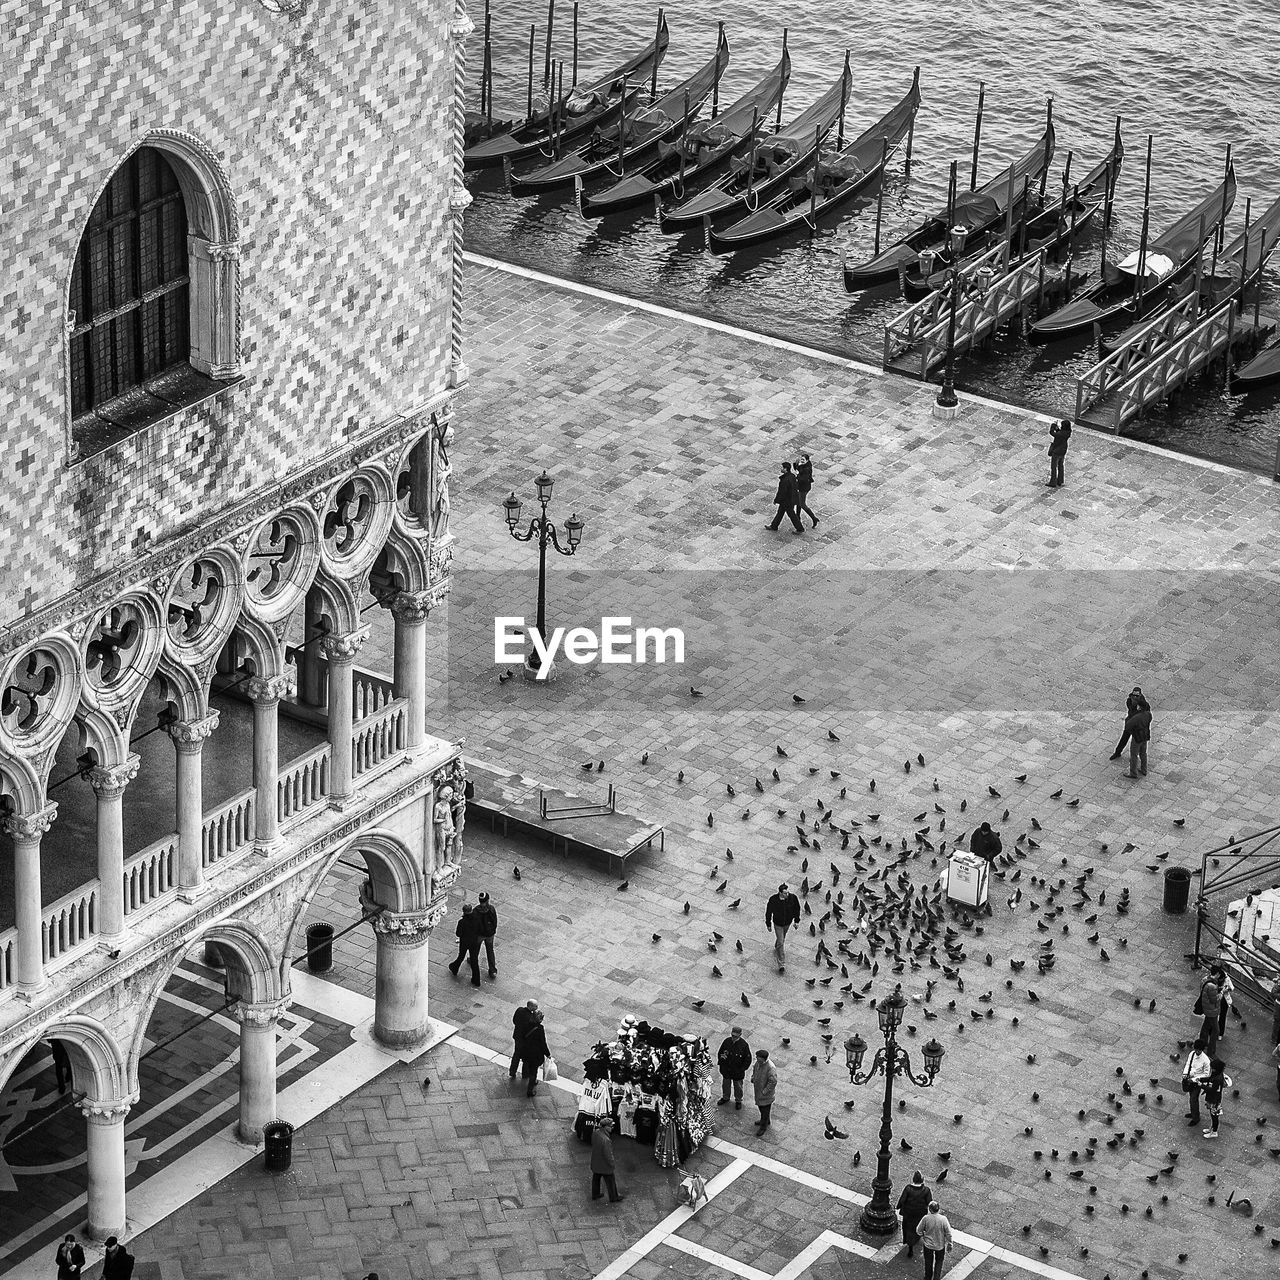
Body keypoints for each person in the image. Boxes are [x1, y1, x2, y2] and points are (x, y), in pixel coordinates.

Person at [765, 883, 801, 973]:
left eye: (787, 893)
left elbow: (797, 909)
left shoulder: (793, 898)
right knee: (781, 942)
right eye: (785, 893)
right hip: (778, 923)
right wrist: (768, 923)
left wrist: (796, 921)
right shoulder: (773, 900)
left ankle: (777, 945)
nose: (787, 895)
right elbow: (768, 912)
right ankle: (781, 964)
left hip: (787, 922)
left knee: (782, 938)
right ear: (780, 893)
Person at [897, 1172, 933, 1259]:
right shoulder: (926, 1190)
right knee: (917, 1227)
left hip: (908, 1213)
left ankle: (909, 1246)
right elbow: (929, 1202)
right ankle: (916, 1238)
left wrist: (898, 1206)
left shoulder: (908, 1188)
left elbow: (902, 1199)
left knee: (907, 1228)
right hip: (919, 1213)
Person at [590, 1116, 624, 1203]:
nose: (612, 1128)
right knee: (611, 1181)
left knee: (596, 1179)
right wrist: (612, 1164)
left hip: (596, 1162)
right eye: (611, 1126)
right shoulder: (606, 1140)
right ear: (605, 1127)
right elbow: (608, 1155)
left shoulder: (596, 1133)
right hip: (605, 1165)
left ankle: (595, 1194)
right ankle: (614, 1197)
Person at [716, 1027, 752, 1108]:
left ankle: (738, 1100)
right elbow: (720, 1052)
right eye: (732, 1035)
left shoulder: (744, 1045)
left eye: (736, 1036)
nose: (734, 1037)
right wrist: (722, 1063)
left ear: (740, 1035)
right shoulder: (727, 1041)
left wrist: (741, 1069)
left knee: (738, 1087)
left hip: (737, 1071)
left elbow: (747, 1059)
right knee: (725, 1085)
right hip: (726, 1069)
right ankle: (725, 1097)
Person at [1109, 688, 1150, 761]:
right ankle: (1117, 752)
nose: (1135, 697)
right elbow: (1131, 710)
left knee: (1137, 742)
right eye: (1134, 695)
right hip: (1130, 723)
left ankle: (1137, 757)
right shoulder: (1129, 700)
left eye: (1137, 695)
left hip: (1138, 727)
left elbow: (1146, 713)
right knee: (1124, 738)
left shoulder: (1144, 703)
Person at [447, 902, 482, 987]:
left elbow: (458, 934)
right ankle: (476, 979)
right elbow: (480, 929)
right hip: (474, 942)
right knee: (474, 960)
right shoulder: (477, 919)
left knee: (461, 956)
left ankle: (454, 968)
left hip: (465, 942)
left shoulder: (462, 922)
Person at [918, 1201, 953, 1280]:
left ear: (930, 1209)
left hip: (928, 1245)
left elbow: (918, 1230)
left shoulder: (926, 1218)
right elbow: (948, 1233)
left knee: (928, 1262)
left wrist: (923, 1235)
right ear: (938, 1209)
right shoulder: (943, 1219)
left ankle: (928, 1277)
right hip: (940, 1245)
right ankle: (936, 1277)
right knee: (939, 1261)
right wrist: (950, 1243)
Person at [520, 1009, 550, 1097]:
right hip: (535, 1054)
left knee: (526, 1063)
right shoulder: (540, 1029)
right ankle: (530, 1090)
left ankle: (525, 1075)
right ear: (540, 1019)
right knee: (534, 1071)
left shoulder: (525, 1024)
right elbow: (543, 1043)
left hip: (525, 1051)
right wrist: (548, 1054)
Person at [767, 462, 803, 534]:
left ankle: (800, 528)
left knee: (791, 514)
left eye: (782, 467)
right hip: (790, 499)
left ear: (785, 469)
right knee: (780, 513)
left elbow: (782, 492)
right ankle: (774, 526)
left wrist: (776, 500)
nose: (781, 469)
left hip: (787, 501)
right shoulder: (792, 476)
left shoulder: (785, 480)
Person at [1182, 1038, 1211, 1126]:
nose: (1197, 1051)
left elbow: (1206, 1074)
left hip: (1197, 1082)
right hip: (1189, 1079)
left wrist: (1195, 1079)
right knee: (1191, 1098)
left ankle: (1196, 1118)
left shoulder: (1205, 1060)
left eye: (1199, 1050)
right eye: (1196, 1049)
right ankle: (1193, 1113)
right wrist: (1185, 1073)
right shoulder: (1192, 1054)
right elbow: (1188, 1063)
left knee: (1193, 1099)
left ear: (1202, 1050)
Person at [1201, 1057, 1232, 1139]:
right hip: (1213, 1098)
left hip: (1214, 1100)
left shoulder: (1218, 1079)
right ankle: (1212, 1128)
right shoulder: (1217, 1074)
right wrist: (1201, 1079)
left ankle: (1214, 1131)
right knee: (1213, 1115)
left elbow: (1213, 1090)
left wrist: (1201, 1085)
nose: (1212, 1069)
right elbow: (1210, 1079)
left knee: (1214, 1116)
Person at [751, 1048, 777, 1135]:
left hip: (766, 1095)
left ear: (764, 1059)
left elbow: (773, 1081)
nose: (757, 1060)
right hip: (759, 1091)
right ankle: (765, 1120)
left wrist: (765, 1091)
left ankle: (763, 1126)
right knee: (762, 1109)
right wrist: (753, 1078)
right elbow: (755, 1070)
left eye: (759, 1059)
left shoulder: (770, 1067)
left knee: (764, 1109)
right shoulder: (758, 1063)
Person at [474, 891, 499, 979]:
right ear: (487, 900)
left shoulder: (476, 910)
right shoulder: (491, 909)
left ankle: (473, 960)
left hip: (479, 935)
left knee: (475, 949)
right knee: (490, 951)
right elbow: (495, 921)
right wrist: (492, 931)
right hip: (489, 934)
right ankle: (492, 970)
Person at [510, 1000, 538, 1078]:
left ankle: (512, 1071)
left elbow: (514, 1020)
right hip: (525, 1040)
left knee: (516, 1055)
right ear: (531, 1006)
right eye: (535, 1006)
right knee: (526, 1057)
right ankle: (525, 1074)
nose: (536, 1008)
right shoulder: (530, 1017)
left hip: (517, 1036)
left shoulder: (519, 1010)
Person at [1207, 963, 1234, 1040]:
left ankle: (1220, 1033)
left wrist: (1226, 989)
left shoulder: (1226, 978)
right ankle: (1211, 1030)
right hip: (1215, 998)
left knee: (1222, 1016)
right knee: (1213, 1015)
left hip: (1223, 1000)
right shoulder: (1214, 977)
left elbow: (1231, 987)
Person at [1198, 978, 1221, 1058]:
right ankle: (1211, 1052)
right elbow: (1214, 1000)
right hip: (1212, 1011)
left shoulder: (1205, 980)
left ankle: (1201, 1044)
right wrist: (1220, 994)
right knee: (1216, 1031)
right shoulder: (1212, 986)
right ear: (1217, 974)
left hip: (1207, 1009)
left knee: (1205, 1027)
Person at [795, 453, 819, 527]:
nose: (801, 460)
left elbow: (803, 479)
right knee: (798, 501)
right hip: (801, 487)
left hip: (804, 488)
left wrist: (797, 475)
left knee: (802, 504)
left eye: (803, 460)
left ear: (807, 460)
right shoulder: (803, 465)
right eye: (801, 459)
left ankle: (814, 518)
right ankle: (797, 516)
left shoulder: (806, 469)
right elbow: (796, 467)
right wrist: (798, 465)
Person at [1047, 419, 1071, 487]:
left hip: (1057, 451)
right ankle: (1060, 480)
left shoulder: (1060, 434)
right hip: (1063, 450)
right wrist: (1057, 429)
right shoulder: (1067, 432)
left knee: (1054, 467)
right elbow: (1059, 433)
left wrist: (1053, 426)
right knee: (1061, 466)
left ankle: (1053, 482)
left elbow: (1052, 433)